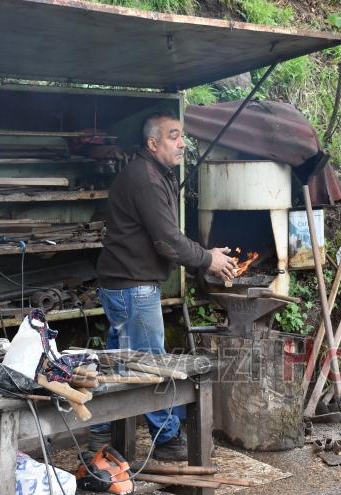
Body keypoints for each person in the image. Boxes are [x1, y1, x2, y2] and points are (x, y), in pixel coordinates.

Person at [92, 110, 236, 461]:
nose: (182, 143)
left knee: (119, 364)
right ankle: (167, 439)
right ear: (153, 143)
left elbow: (168, 235)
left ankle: (100, 431)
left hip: (123, 284)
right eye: (174, 136)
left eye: (182, 135)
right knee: (151, 364)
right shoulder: (147, 180)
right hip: (133, 287)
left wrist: (204, 255)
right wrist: (207, 259)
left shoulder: (155, 173)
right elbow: (167, 240)